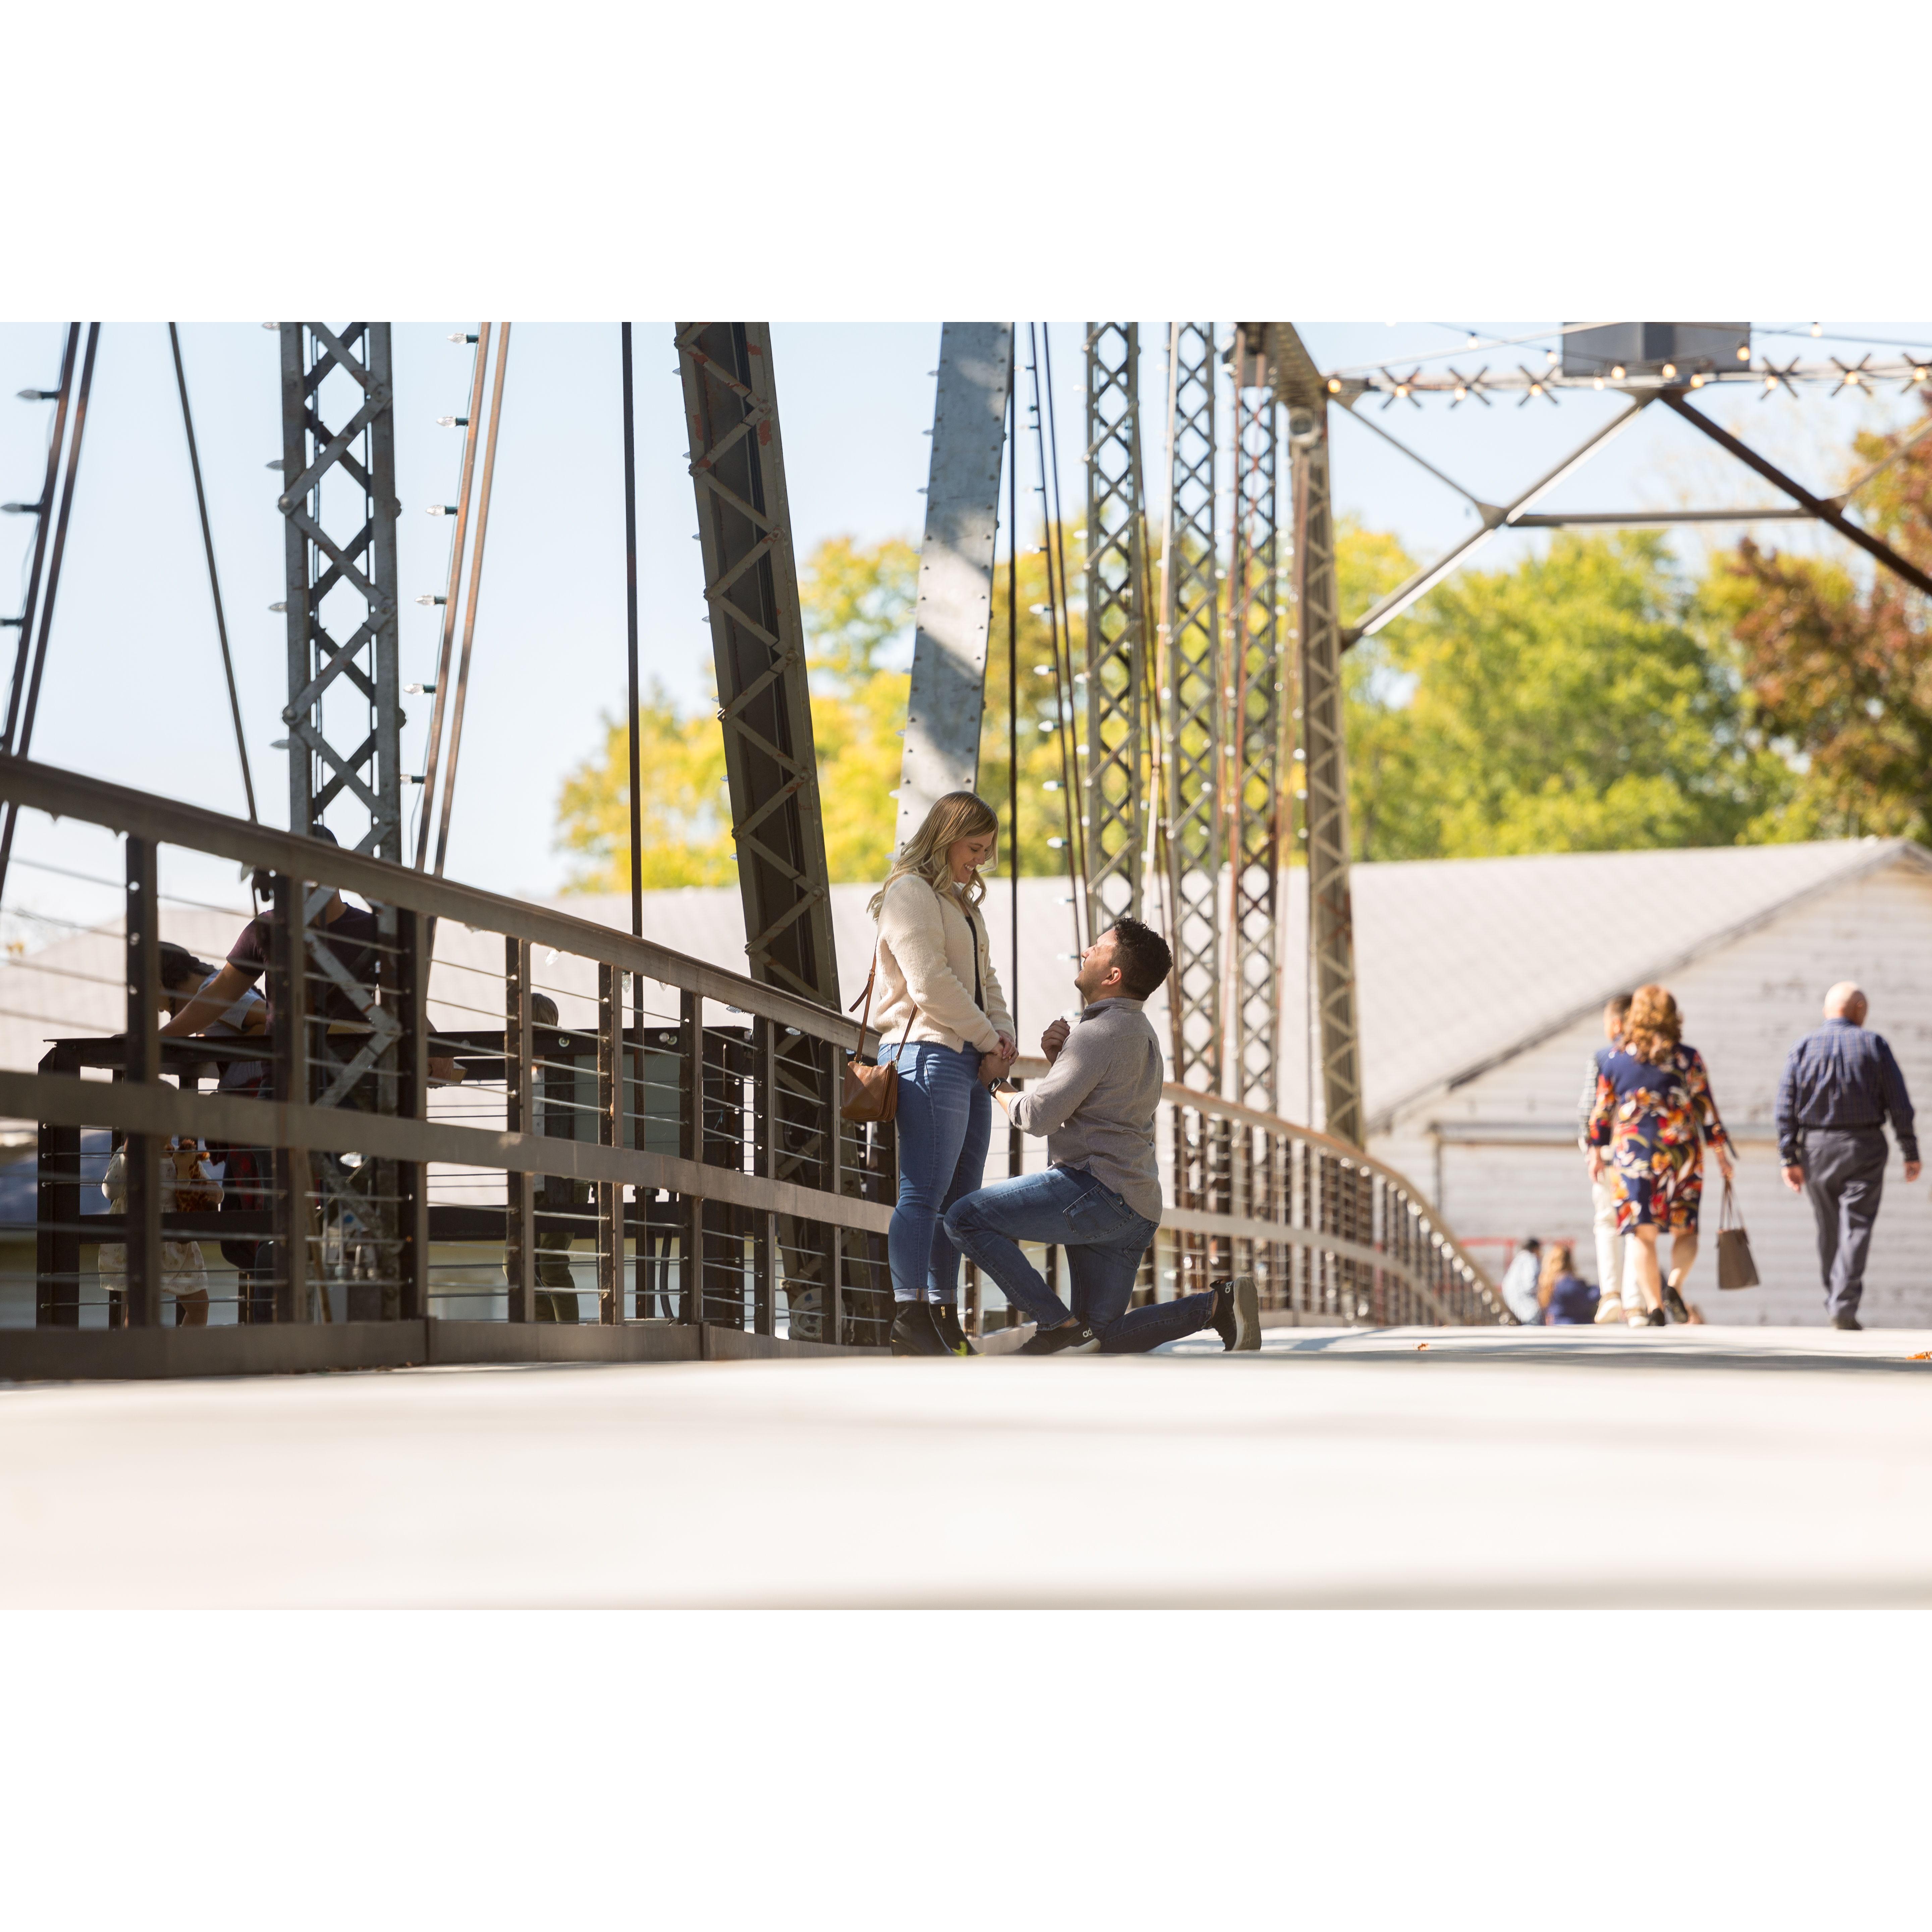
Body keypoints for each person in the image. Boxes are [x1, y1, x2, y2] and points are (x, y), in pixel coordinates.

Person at [943, 916, 1260, 1355]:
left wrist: (998, 1084)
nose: (1087, 950)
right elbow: (1097, 1108)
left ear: (1113, 976)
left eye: (1099, 948)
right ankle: (1215, 1306)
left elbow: (1036, 1117)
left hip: (1095, 1192)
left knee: (965, 1218)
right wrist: (1061, 1062)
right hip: (1136, 1206)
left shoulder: (1096, 1035)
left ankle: (1056, 1324)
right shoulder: (1139, 1033)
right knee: (1100, 1337)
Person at [866, 791, 1017, 1357]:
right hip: (927, 1054)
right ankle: (910, 1317)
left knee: (959, 1201)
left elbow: (986, 979)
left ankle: (942, 1313)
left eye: (986, 850)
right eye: (973, 847)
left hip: (968, 1058)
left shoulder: (960, 903)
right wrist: (987, 1037)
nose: (979, 859)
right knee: (923, 1193)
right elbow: (928, 984)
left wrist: (1003, 1035)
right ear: (946, 837)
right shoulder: (910, 894)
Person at [1586, 983, 1733, 1327]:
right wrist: (1722, 1156)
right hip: (1680, 1154)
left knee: (1642, 1232)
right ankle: (1673, 1287)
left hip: (1634, 1155)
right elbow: (1707, 1112)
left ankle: (1653, 1307)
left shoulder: (1614, 1059)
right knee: (1686, 1231)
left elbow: (1601, 1113)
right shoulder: (1688, 1059)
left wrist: (1596, 1152)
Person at [1776, 981, 1920, 1331]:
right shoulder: (1874, 1045)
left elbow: (1785, 1106)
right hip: (1865, 1146)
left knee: (1828, 1227)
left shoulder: (1803, 1047)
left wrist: (1789, 1157)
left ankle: (1835, 1299)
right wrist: (1909, 1150)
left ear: (1828, 1011)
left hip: (1817, 1148)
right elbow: (1899, 1103)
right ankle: (1843, 1303)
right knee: (1856, 1226)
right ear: (1859, 1011)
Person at [1577, 993, 1643, 1327]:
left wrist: (1591, 1149)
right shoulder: (1648, 1058)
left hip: (1605, 1152)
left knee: (1606, 1221)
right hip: (1639, 1152)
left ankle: (1611, 1295)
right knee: (1635, 1226)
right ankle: (1634, 1302)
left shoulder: (1604, 1058)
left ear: (1616, 1023)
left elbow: (1588, 1111)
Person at [1536, 1240, 1599, 1325]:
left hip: (1556, 1324)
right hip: (1575, 1325)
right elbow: (1587, 1300)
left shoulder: (1548, 1282)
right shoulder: (1567, 1283)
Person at [1498, 1236, 1543, 1326]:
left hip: (1514, 1304)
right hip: (1528, 1307)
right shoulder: (1531, 1259)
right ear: (1535, 1249)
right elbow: (1530, 1284)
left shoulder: (1519, 1260)